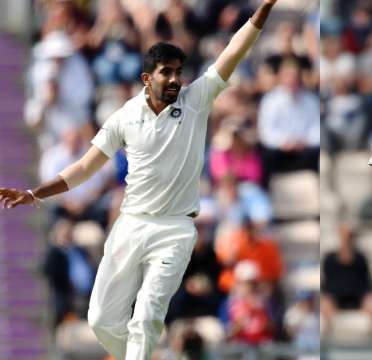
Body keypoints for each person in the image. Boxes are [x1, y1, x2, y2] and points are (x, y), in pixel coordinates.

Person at [0, 1, 279, 358]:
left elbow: (233, 51)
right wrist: (34, 193)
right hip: (130, 224)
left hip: (174, 229)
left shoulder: (196, 100)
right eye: (167, 72)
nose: (176, 79)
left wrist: (264, 9)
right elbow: (85, 167)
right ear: (147, 78)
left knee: (147, 314)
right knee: (101, 320)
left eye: (179, 71)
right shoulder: (125, 116)